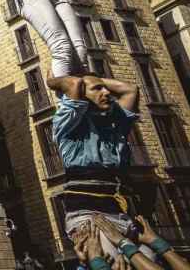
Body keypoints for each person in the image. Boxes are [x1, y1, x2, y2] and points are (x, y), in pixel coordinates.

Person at [48, 74, 150, 261]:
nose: (107, 93)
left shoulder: (116, 125)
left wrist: (93, 80)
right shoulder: (69, 127)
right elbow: (73, 82)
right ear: (81, 95)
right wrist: (53, 82)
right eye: (97, 89)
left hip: (123, 217)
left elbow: (130, 89)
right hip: (89, 217)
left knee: (150, 262)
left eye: (106, 89)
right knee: (110, 262)